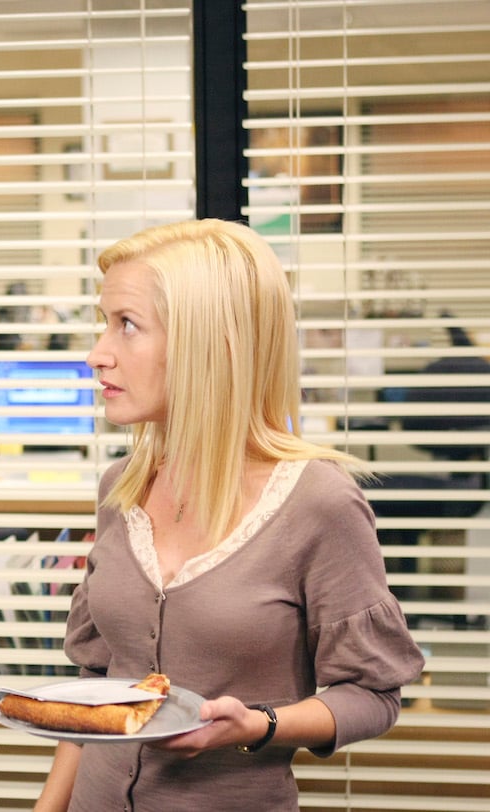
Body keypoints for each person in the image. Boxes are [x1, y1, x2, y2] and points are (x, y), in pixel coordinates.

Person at [33, 219, 424, 811]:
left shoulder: (318, 502)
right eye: (104, 323)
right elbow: (97, 688)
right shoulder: (122, 487)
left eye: (127, 325)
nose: (97, 354)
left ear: (208, 343)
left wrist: (258, 725)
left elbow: (374, 693)